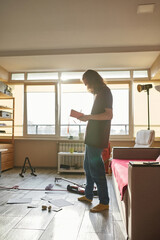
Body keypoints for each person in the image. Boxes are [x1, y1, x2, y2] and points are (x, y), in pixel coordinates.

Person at [77, 69, 113, 213]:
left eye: (87, 82)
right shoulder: (98, 93)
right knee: (87, 167)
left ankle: (104, 202)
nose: (86, 86)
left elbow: (108, 115)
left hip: (97, 137)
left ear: (92, 80)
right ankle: (89, 195)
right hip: (91, 137)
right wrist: (86, 117)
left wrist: (88, 117)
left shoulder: (105, 92)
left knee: (96, 170)